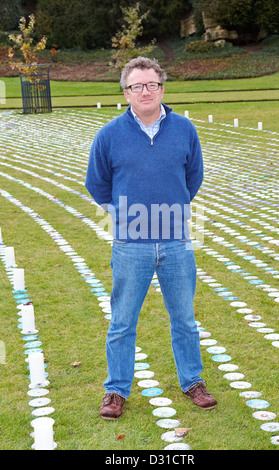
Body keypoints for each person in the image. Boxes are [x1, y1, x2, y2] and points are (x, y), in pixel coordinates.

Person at [85, 57, 217, 420]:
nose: (145, 91)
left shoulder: (185, 129)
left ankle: (193, 381)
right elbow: (96, 183)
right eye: (137, 86)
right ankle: (115, 390)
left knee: (185, 318)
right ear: (126, 92)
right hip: (131, 243)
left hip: (176, 241)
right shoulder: (109, 134)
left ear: (162, 87)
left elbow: (194, 177)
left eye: (152, 84)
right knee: (123, 320)